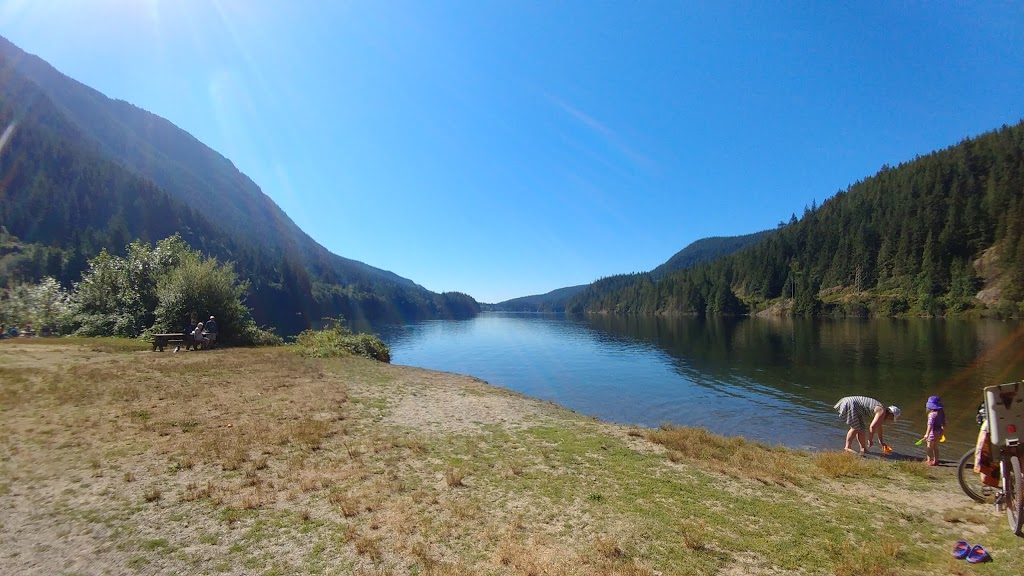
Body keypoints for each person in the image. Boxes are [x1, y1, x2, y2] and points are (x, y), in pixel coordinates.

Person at [834, 396, 901, 454]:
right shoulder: (882, 411)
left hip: (853, 406)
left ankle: (863, 449)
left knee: (861, 428)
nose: (890, 420)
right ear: (890, 414)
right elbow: (872, 426)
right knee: (855, 428)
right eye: (892, 418)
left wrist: (881, 442)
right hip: (851, 404)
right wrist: (870, 440)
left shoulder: (882, 410)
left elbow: (878, 426)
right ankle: (847, 447)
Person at [923, 395, 945, 466]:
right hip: (938, 432)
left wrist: (927, 434)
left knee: (929, 447)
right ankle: (936, 461)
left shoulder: (931, 414)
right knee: (936, 447)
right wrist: (942, 433)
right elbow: (945, 424)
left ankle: (929, 461)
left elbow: (930, 425)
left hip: (932, 433)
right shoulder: (941, 413)